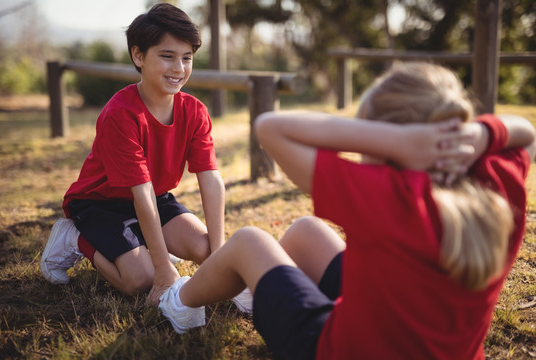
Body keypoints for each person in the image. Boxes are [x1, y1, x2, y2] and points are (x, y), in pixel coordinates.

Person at [155, 62, 536, 359]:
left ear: (392, 143)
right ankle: (264, 295)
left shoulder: (388, 195)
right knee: (305, 230)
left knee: (249, 241)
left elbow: (271, 127)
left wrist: (399, 140)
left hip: (337, 352)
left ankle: (181, 303)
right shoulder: (497, 184)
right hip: (416, 337)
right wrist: (481, 134)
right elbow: (526, 133)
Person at [40, 3, 226, 305]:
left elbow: (211, 180)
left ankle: (145, 243)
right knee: (141, 279)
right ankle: (75, 238)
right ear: (138, 56)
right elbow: (140, 192)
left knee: (206, 249)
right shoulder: (120, 114)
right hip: (100, 203)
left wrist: (219, 253)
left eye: (187, 58)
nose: (178, 68)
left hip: (157, 197)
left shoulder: (195, 111)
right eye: (167, 56)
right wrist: (163, 267)